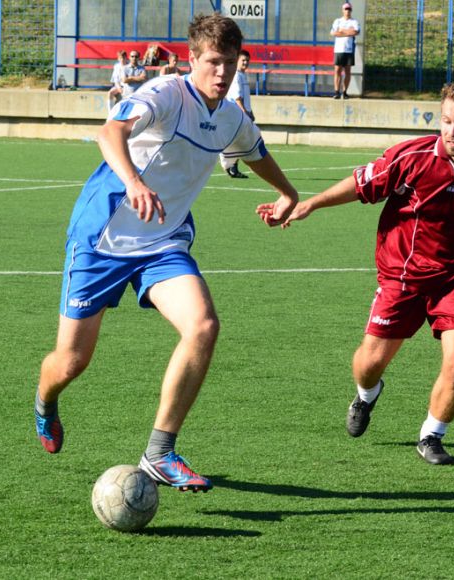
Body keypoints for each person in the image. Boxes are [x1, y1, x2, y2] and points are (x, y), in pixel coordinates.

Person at [34, 13, 299, 493]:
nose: (223, 73)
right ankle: (45, 401)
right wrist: (134, 182)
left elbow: (254, 149)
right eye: (214, 62)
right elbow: (108, 133)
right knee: (71, 362)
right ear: (192, 59)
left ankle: (159, 452)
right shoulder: (164, 94)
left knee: (203, 325)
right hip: (103, 238)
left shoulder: (231, 115)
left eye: (232, 63)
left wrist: (288, 193)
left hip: (164, 240)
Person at [257, 79, 454, 465]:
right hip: (403, 275)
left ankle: (432, 435)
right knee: (368, 365)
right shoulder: (413, 156)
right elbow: (361, 184)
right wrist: (309, 205)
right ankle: (367, 394)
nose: (452, 131)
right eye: (447, 121)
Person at [220, 49, 253, 179]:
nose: (245, 63)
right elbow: (236, 96)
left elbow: (245, 97)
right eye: (243, 60)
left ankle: (232, 166)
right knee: (237, 140)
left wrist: (250, 111)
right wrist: (244, 112)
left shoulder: (242, 75)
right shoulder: (236, 76)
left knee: (239, 140)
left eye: (247, 61)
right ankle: (230, 166)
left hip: (244, 113)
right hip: (237, 113)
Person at [330, 2, 360, 99]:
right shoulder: (337, 21)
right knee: (337, 70)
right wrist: (348, 32)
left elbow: (356, 31)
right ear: (342, 10)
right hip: (338, 49)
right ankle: (336, 92)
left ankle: (345, 92)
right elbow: (333, 33)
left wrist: (342, 30)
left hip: (349, 49)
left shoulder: (354, 22)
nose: (347, 11)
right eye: (346, 9)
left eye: (349, 9)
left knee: (347, 71)